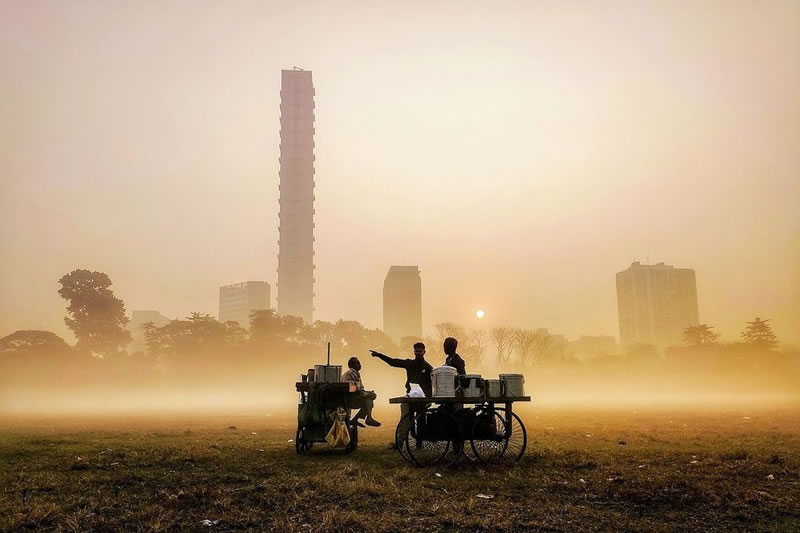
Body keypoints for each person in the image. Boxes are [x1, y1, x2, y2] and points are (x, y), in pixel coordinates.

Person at [371, 342, 433, 449]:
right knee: (405, 421)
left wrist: (429, 400)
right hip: (409, 397)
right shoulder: (410, 364)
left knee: (421, 421)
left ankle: (419, 444)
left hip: (422, 399)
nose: (418, 353)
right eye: (416, 351)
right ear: (414, 352)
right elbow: (393, 362)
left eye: (420, 351)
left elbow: (430, 385)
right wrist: (379, 355)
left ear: (424, 352)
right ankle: (399, 444)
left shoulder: (428, 368)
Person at [341, 356, 381, 427]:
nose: (360, 365)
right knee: (368, 399)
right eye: (357, 363)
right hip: (349, 398)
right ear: (352, 365)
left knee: (370, 397)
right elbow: (351, 389)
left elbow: (360, 389)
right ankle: (368, 418)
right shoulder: (349, 374)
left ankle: (356, 419)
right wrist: (366, 394)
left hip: (355, 396)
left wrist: (367, 393)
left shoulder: (356, 374)